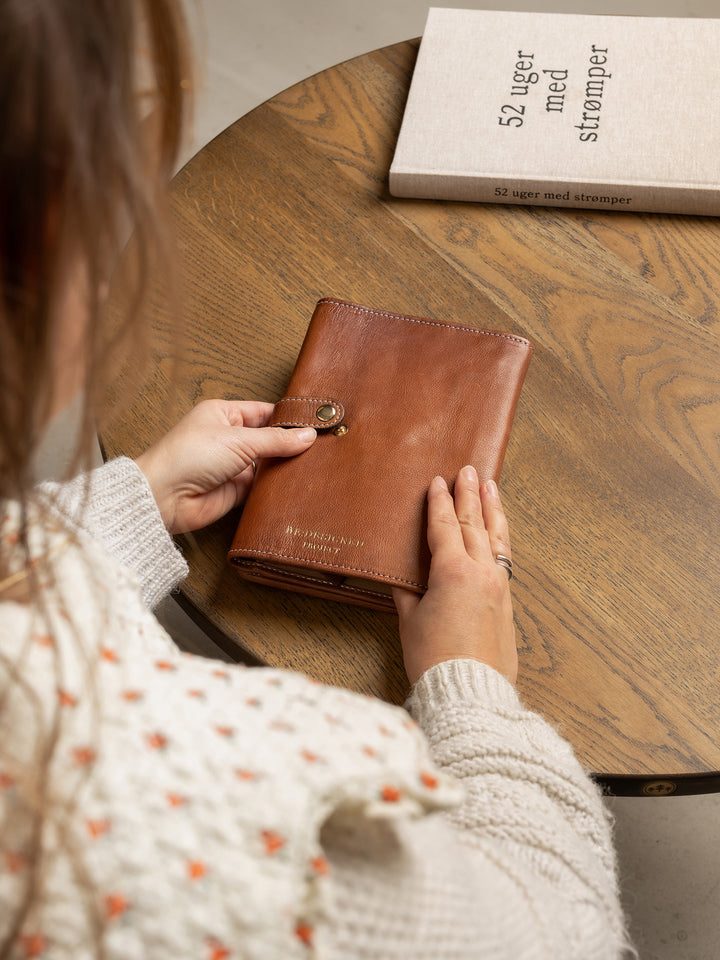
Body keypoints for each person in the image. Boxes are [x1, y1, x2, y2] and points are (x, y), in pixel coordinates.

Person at [0, 1, 632, 958]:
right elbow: (551, 934)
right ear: (44, 237)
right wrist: (473, 690)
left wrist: (129, 509)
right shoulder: (209, 798)